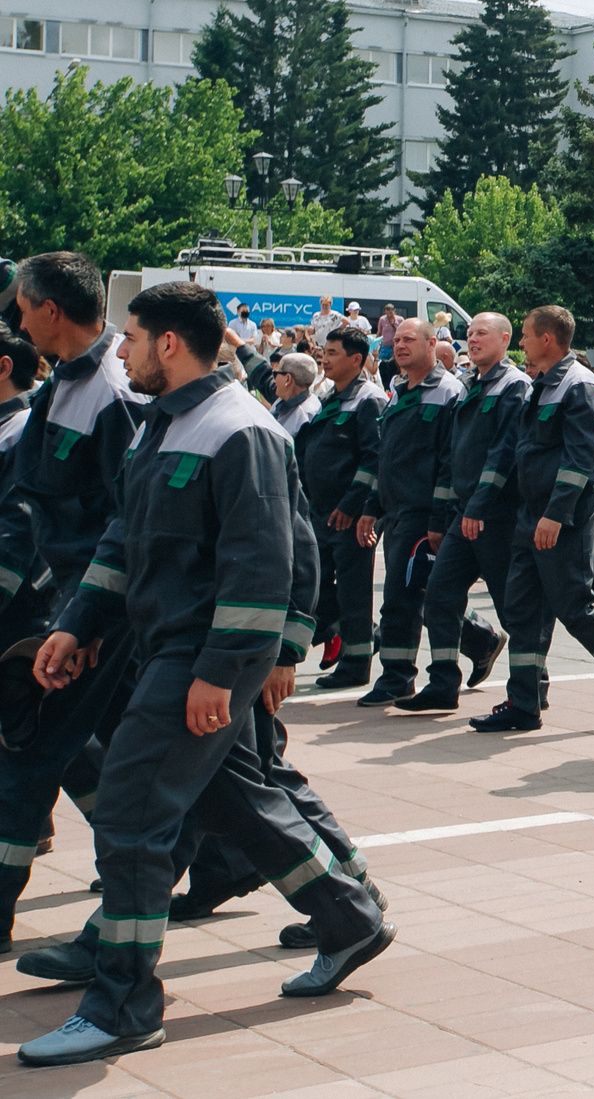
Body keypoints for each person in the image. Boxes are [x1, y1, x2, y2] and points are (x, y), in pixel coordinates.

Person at [15, 280, 391, 1067]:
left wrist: (227, 672)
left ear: (171, 344)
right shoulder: (166, 424)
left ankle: (121, 1002)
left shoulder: (238, 429)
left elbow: (265, 562)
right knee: (234, 798)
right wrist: (78, 622)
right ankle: (350, 916)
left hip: (201, 656)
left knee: (128, 810)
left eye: (133, 338)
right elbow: (123, 538)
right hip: (163, 646)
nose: (122, 352)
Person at [0, 253, 144, 950]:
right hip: (78, 599)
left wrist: (83, 618)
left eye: (21, 306)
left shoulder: (112, 387)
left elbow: (122, 522)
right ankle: (238, 862)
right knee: (141, 753)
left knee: (29, 751)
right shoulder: (71, 381)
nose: (16, 318)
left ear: (50, 309)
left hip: (97, 607)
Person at [468, 306, 594, 735]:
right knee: (522, 612)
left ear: (548, 339)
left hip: (563, 520)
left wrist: (555, 514)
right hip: (529, 516)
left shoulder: (579, 386)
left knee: (575, 609)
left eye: (527, 336)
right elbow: (518, 451)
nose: (522, 343)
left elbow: (581, 459)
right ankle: (524, 701)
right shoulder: (540, 385)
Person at [354, 319, 502, 707]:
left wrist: (439, 519)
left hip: (423, 513)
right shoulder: (398, 391)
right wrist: (372, 507)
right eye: (397, 340)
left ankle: (397, 677)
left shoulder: (449, 392)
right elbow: (385, 458)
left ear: (432, 343)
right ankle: (481, 638)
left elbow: (450, 462)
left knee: (402, 597)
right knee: (419, 590)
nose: (399, 346)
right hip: (395, 510)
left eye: (409, 340)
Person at [396, 313, 523, 713]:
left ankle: (531, 686)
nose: (473, 339)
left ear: (506, 339)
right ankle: (443, 683)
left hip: (496, 516)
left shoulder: (514, 386)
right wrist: (443, 515)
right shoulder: (469, 385)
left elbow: (505, 455)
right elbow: (453, 457)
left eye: (481, 333)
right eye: (469, 334)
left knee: (511, 605)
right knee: (438, 595)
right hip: (461, 515)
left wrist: (480, 507)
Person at [296, 328, 387, 689]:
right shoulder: (329, 396)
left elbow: (374, 457)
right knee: (315, 584)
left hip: (350, 515)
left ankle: (356, 663)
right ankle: (360, 641)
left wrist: (353, 505)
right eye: (325, 352)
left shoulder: (369, 399)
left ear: (356, 359)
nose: (325, 358)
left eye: (332, 353)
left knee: (353, 589)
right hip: (321, 512)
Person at [269, 351, 321, 436]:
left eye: (275, 374)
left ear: (287, 379)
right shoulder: (283, 399)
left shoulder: (305, 418)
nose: (274, 379)